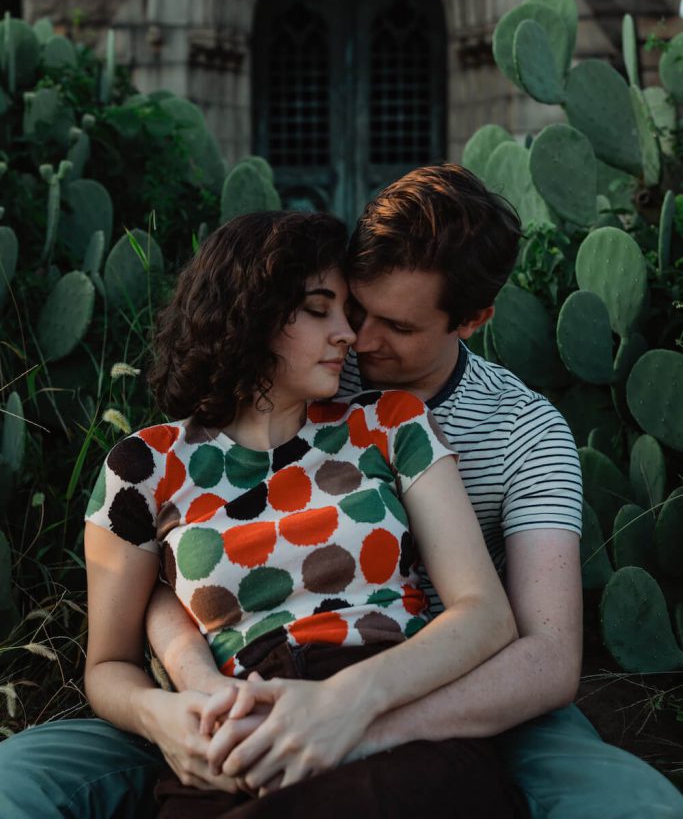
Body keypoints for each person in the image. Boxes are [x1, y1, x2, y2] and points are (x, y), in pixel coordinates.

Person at [1, 166, 681, 818]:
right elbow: (159, 563)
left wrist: (354, 720)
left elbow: (542, 657)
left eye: (398, 327)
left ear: (471, 320)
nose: (357, 338)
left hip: (461, 687)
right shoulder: (300, 384)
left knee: (626, 805)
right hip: (242, 692)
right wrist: (191, 691)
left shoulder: (512, 431)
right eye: (350, 306)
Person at [80, 209, 523, 817]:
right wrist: (163, 717)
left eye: (347, 311)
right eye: (320, 310)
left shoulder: (389, 423)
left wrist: (348, 700)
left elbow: (486, 615)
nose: (348, 334)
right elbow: (107, 663)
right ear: (250, 313)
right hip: (237, 726)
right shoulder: (144, 466)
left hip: (388, 700)